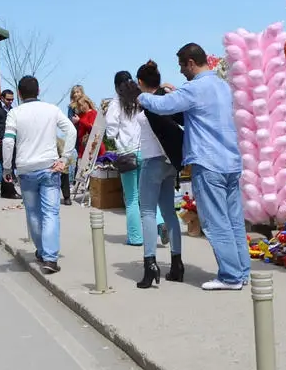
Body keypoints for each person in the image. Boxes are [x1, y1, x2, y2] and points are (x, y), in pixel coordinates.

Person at [139, 43, 248, 291]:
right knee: (234, 221)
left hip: (208, 163)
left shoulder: (196, 87)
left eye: (181, 66)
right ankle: (242, 272)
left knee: (215, 221)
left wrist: (140, 95)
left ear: (190, 62)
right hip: (231, 161)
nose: (180, 71)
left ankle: (230, 277)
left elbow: (162, 106)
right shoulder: (222, 86)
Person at [2, 76, 76, 274]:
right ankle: (51, 259)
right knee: (51, 212)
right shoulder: (52, 110)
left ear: (19, 93)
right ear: (39, 90)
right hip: (50, 167)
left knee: (33, 212)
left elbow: (8, 142)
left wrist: (7, 168)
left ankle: (42, 252)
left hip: (26, 168)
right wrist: (66, 157)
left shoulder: (14, 113)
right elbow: (71, 130)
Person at [135, 60, 185, 288]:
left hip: (152, 161)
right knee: (169, 213)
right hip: (170, 163)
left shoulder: (146, 104)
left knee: (147, 211)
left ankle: (150, 264)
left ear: (140, 82)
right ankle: (176, 263)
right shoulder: (167, 101)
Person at [104, 72, 146, 246]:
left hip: (127, 154)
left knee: (131, 198)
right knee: (148, 195)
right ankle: (159, 223)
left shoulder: (116, 103)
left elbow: (111, 132)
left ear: (116, 86)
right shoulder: (141, 99)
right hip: (145, 151)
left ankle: (136, 237)